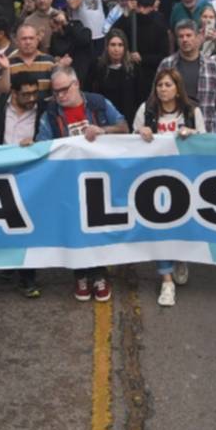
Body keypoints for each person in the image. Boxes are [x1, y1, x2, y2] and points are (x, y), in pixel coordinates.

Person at [35, 66, 129, 303]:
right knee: (75, 227)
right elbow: (42, 145)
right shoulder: (50, 113)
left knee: (97, 226)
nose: (60, 96)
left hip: (99, 176)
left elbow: (124, 127)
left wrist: (103, 130)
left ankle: (99, 274)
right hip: (67, 179)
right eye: (55, 92)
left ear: (76, 84)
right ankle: (80, 274)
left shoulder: (97, 103)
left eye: (64, 90)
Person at [134, 69, 205, 307]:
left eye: (168, 85)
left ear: (178, 88)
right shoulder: (146, 110)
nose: (163, 89)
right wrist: (140, 133)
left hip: (185, 179)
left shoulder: (192, 112)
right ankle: (166, 280)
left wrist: (193, 134)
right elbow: (130, 143)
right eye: (160, 85)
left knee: (182, 223)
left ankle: (181, 257)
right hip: (154, 180)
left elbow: (206, 144)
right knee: (160, 227)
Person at [0, 71, 44, 299]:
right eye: (26, 94)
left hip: (29, 175)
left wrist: (37, 144)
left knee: (27, 225)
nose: (32, 98)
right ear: (13, 93)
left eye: (35, 93)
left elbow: (51, 137)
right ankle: (10, 263)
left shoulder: (43, 110)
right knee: (4, 223)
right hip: (0, 174)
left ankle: (28, 278)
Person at [157, 19, 216, 132]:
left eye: (189, 35)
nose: (185, 39)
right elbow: (156, 98)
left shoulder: (212, 66)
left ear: (198, 37)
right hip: (174, 133)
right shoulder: (167, 64)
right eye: (181, 36)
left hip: (205, 131)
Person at [85, 31, 143, 125]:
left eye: (120, 45)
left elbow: (140, 96)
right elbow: (88, 92)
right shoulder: (97, 66)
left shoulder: (133, 68)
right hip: (104, 121)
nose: (116, 49)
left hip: (129, 121)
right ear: (107, 47)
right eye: (113, 45)